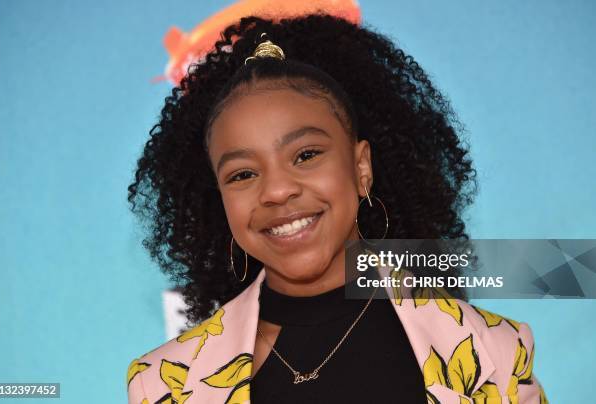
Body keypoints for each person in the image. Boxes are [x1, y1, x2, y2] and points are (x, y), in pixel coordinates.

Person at [125, 13, 548, 403]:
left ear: (361, 167)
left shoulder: (497, 353)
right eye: (242, 174)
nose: (276, 191)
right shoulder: (164, 384)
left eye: (306, 155)